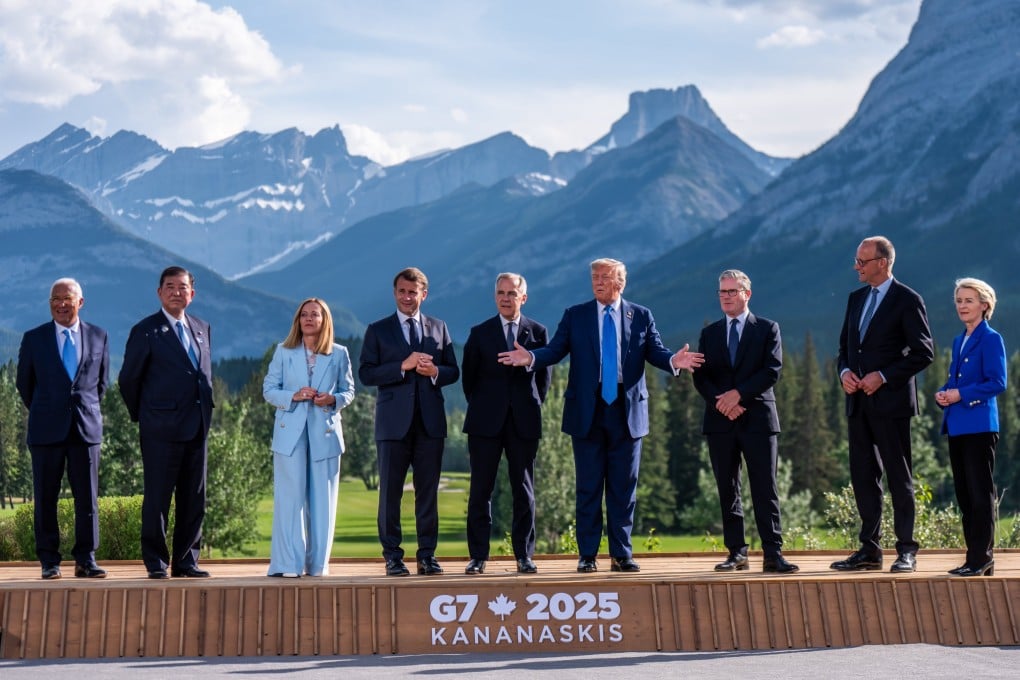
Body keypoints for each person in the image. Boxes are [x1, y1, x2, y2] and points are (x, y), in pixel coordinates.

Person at [499, 258, 703, 573]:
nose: (597, 281)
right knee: (589, 485)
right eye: (594, 276)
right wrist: (531, 357)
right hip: (587, 410)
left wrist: (674, 360)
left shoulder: (641, 316)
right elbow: (555, 349)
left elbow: (656, 352)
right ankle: (588, 555)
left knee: (624, 486)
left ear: (620, 282)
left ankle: (622, 554)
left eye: (604, 277)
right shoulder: (576, 315)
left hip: (627, 409)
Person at [833, 236, 934, 574]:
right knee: (863, 477)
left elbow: (923, 353)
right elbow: (844, 350)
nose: (856, 266)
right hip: (858, 404)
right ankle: (869, 549)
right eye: (856, 260)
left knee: (898, 478)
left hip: (892, 406)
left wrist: (885, 376)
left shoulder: (908, 299)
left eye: (862, 261)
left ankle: (906, 550)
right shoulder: (855, 298)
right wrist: (845, 372)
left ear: (883, 263)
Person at [693, 270, 797, 574]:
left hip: (758, 419)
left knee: (765, 487)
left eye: (731, 291)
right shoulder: (710, 333)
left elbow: (772, 371)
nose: (725, 297)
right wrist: (721, 403)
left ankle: (772, 554)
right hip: (720, 421)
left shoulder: (767, 329)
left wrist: (738, 396)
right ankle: (736, 552)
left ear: (746, 294)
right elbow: (702, 376)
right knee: (728, 488)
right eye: (721, 292)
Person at [358, 267, 460, 577]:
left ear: (423, 295)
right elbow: (366, 373)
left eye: (412, 292)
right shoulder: (378, 330)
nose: (406, 297)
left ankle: (427, 556)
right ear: (395, 293)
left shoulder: (438, 328)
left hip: (430, 424)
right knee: (390, 494)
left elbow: (453, 370)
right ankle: (393, 556)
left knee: (427, 494)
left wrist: (435, 373)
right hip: (392, 426)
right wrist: (403, 365)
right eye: (401, 291)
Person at [119, 266, 215, 579]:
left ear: (192, 293)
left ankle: (186, 561)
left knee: (194, 498)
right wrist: (145, 416)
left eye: (183, 287)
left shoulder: (202, 327)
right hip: (159, 430)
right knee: (158, 498)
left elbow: (203, 376)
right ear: (159, 292)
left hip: (197, 428)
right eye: (170, 286)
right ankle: (157, 562)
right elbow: (129, 380)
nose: (177, 292)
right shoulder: (145, 330)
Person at [16, 278, 110, 580]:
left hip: (86, 429)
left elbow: (101, 384)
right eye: (54, 298)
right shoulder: (34, 338)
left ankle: (86, 559)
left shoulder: (99, 336)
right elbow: (25, 385)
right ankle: (49, 561)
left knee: (88, 498)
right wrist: (48, 410)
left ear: (80, 302)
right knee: (45, 498)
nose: (60, 304)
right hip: (46, 431)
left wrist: (82, 410)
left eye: (66, 298)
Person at [462, 273, 552, 575]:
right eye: (500, 292)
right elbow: (469, 380)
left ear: (523, 298)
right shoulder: (480, 333)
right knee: (480, 491)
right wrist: (487, 406)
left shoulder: (538, 332)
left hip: (524, 422)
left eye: (511, 293)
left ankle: (524, 556)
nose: (505, 298)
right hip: (484, 423)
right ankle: (478, 557)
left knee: (524, 491)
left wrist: (529, 405)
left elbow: (544, 379)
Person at [263, 298, 355, 578]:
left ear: (325, 319)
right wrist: (294, 395)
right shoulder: (283, 351)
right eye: (304, 314)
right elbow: (268, 390)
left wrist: (332, 399)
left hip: (325, 432)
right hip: (289, 434)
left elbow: (348, 391)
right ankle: (288, 565)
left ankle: (317, 566)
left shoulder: (339, 353)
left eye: (315, 314)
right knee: (289, 500)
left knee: (323, 503)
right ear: (298, 320)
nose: (309, 319)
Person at [935, 278, 1006, 577]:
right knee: (965, 495)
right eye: (959, 300)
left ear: (985, 305)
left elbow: (997, 382)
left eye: (968, 300)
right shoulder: (959, 339)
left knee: (980, 495)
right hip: (957, 424)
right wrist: (945, 392)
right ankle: (973, 559)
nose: (962, 306)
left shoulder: (991, 339)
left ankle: (982, 558)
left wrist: (961, 394)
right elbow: (957, 380)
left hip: (979, 426)